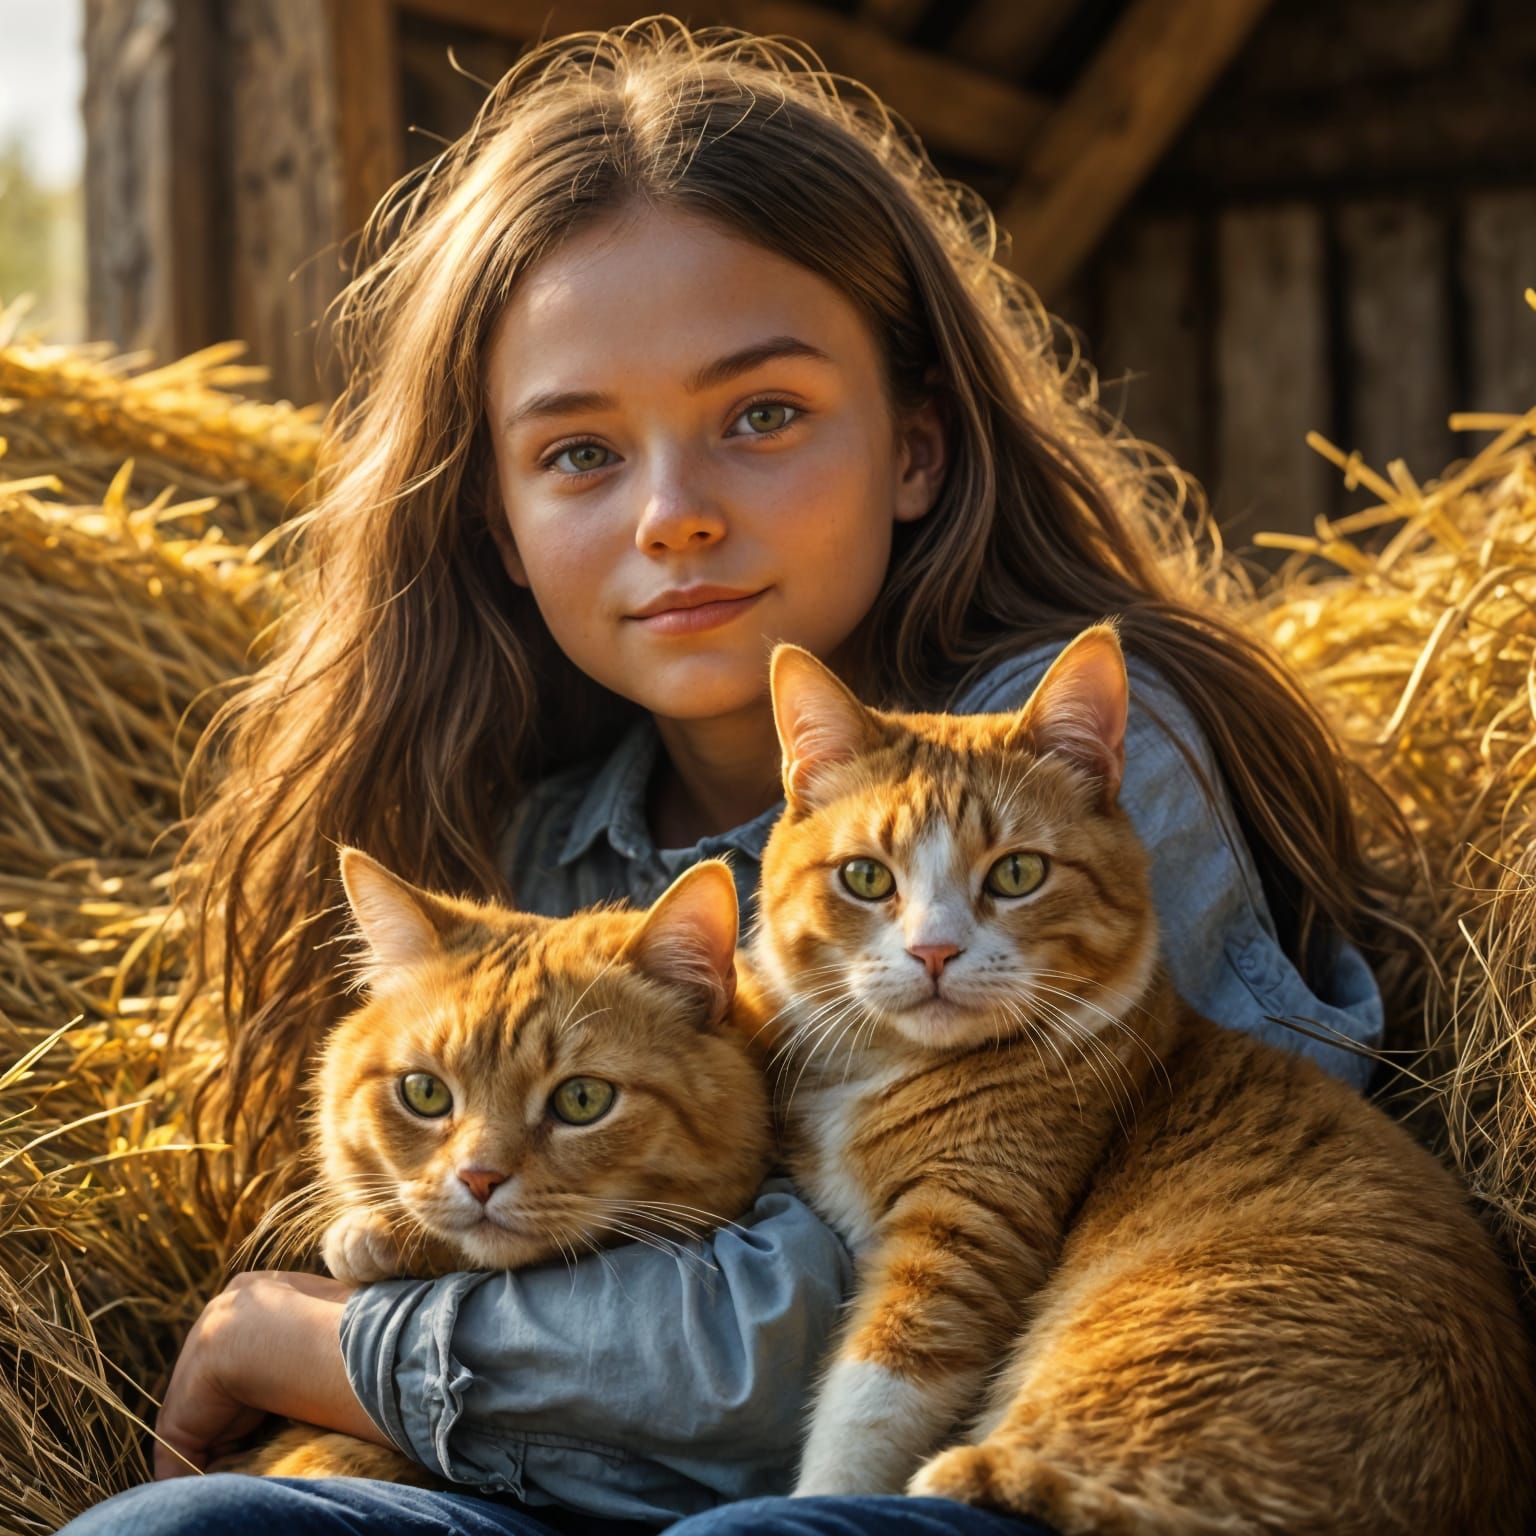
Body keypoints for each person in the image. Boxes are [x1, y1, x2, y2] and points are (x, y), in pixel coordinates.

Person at [58, 19, 1407, 1536]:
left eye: (760, 416)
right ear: (496, 520)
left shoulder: (1074, 752)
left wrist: (327, 1346)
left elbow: (813, 1351)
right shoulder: (543, 834)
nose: (676, 516)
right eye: (578, 453)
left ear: (915, 446)